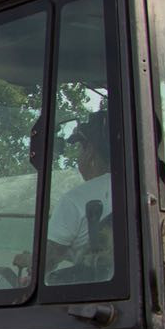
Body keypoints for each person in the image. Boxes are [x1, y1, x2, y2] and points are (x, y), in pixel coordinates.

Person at [45, 110, 112, 282]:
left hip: (94, 299)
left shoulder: (76, 199)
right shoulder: (140, 189)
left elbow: (46, 261)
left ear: (89, 151)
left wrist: (28, 260)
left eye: (80, 149)